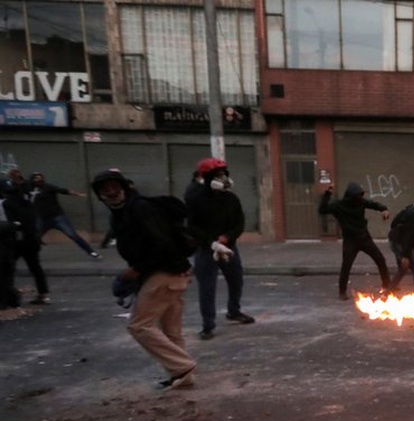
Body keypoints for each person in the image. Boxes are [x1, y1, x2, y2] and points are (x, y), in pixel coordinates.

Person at [91, 169, 196, 389]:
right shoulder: (122, 212)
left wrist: (137, 269)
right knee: (171, 331)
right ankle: (183, 376)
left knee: (139, 325)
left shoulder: (139, 208)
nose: (111, 192)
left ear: (124, 187)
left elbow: (161, 242)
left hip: (165, 273)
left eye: (114, 186)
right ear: (99, 194)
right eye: (105, 189)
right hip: (171, 273)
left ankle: (182, 366)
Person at [185, 158, 255, 341]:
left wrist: (227, 238)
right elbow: (191, 226)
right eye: (217, 175)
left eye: (223, 174)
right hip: (207, 250)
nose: (222, 178)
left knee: (236, 281)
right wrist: (211, 242)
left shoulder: (231, 199)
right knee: (207, 288)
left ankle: (234, 311)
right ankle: (208, 325)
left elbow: (239, 223)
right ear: (207, 178)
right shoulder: (195, 199)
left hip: (229, 248)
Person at [318, 182, 391, 300]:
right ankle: (342, 292)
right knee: (346, 266)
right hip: (350, 241)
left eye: (360, 196)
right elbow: (322, 210)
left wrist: (384, 209)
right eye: (357, 196)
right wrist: (327, 194)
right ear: (351, 196)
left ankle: (387, 286)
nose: (360, 198)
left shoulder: (361, 202)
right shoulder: (338, 205)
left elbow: (373, 204)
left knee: (380, 259)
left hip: (364, 238)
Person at [2, 170, 50, 305]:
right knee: (35, 267)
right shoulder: (28, 203)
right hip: (31, 239)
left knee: (7, 267)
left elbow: (10, 223)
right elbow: (27, 189)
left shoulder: (7, 204)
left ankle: (8, 294)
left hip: (16, 240)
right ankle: (44, 294)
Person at [28, 172, 101, 259]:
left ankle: (91, 252)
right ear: (32, 180)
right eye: (36, 178)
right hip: (42, 219)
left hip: (57, 217)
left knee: (72, 235)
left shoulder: (48, 187)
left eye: (40, 178)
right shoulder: (29, 189)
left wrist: (78, 194)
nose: (39, 180)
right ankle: (28, 255)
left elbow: (63, 191)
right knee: (34, 237)